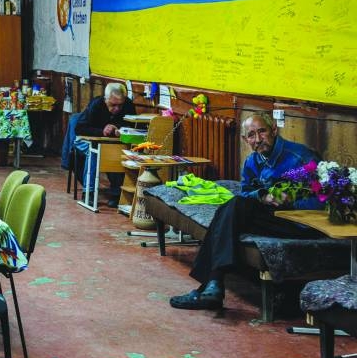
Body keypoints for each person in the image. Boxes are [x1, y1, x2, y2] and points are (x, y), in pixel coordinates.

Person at [170, 113, 322, 311]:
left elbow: (323, 199)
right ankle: (212, 285)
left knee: (231, 210)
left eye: (262, 132)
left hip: (298, 222)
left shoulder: (299, 157)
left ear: (274, 130)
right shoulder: (252, 161)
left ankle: (211, 285)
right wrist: (262, 196)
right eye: (251, 135)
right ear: (245, 139)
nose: (258, 139)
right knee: (230, 210)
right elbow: (246, 193)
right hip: (271, 218)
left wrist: (291, 203)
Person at [73, 82, 137, 207]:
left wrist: (119, 128)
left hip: (112, 143)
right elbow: (80, 128)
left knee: (118, 152)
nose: (117, 109)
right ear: (105, 99)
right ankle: (89, 192)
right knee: (95, 151)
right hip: (85, 141)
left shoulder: (128, 105)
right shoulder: (96, 104)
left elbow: (132, 126)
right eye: (113, 105)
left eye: (120, 105)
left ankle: (117, 193)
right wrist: (102, 131)